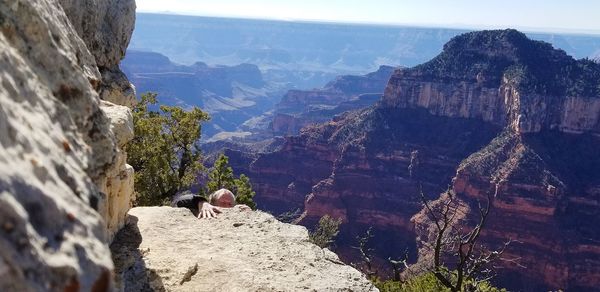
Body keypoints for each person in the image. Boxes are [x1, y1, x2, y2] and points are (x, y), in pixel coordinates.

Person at [172, 189, 249, 219]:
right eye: (222, 202)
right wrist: (202, 202)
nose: (226, 206)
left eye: (230, 204)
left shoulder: (236, 215)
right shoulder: (205, 211)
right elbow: (181, 200)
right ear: (212, 203)